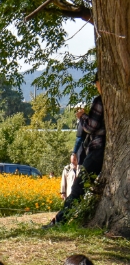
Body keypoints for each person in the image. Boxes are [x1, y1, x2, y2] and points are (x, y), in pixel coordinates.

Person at [48, 75, 105, 226]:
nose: (95, 86)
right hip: (105, 148)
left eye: (96, 83)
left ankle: (60, 221)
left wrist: (82, 116)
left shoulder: (101, 100)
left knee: (79, 186)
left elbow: (90, 126)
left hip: (98, 148)